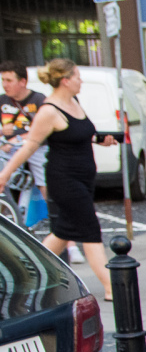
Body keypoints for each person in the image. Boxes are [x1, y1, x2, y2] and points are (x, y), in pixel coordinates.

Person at [0, 59, 117, 300]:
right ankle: (110, 287)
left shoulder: (74, 102)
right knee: (90, 229)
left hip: (84, 177)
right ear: (65, 80)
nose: (80, 81)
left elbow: (80, 133)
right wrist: (5, 174)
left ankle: (29, 275)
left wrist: (99, 139)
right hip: (64, 179)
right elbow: (29, 145)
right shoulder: (49, 110)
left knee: (62, 233)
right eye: (77, 76)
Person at [0, 60, 86, 264]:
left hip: (36, 148)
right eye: (3, 80)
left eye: (9, 80)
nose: (5, 85)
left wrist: (17, 138)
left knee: (49, 190)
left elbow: (43, 132)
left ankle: (71, 246)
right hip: (8, 150)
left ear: (23, 81)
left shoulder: (39, 101)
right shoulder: (2, 100)